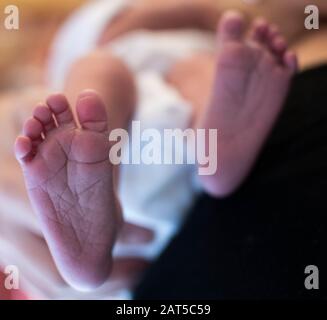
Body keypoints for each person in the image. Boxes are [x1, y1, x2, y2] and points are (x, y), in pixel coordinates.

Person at [3, 0, 327, 298]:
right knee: (111, 72)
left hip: (145, 223)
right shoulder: (90, 44)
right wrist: (214, 14)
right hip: (164, 182)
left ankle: (106, 214)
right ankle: (211, 155)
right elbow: (158, 16)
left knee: (106, 78)